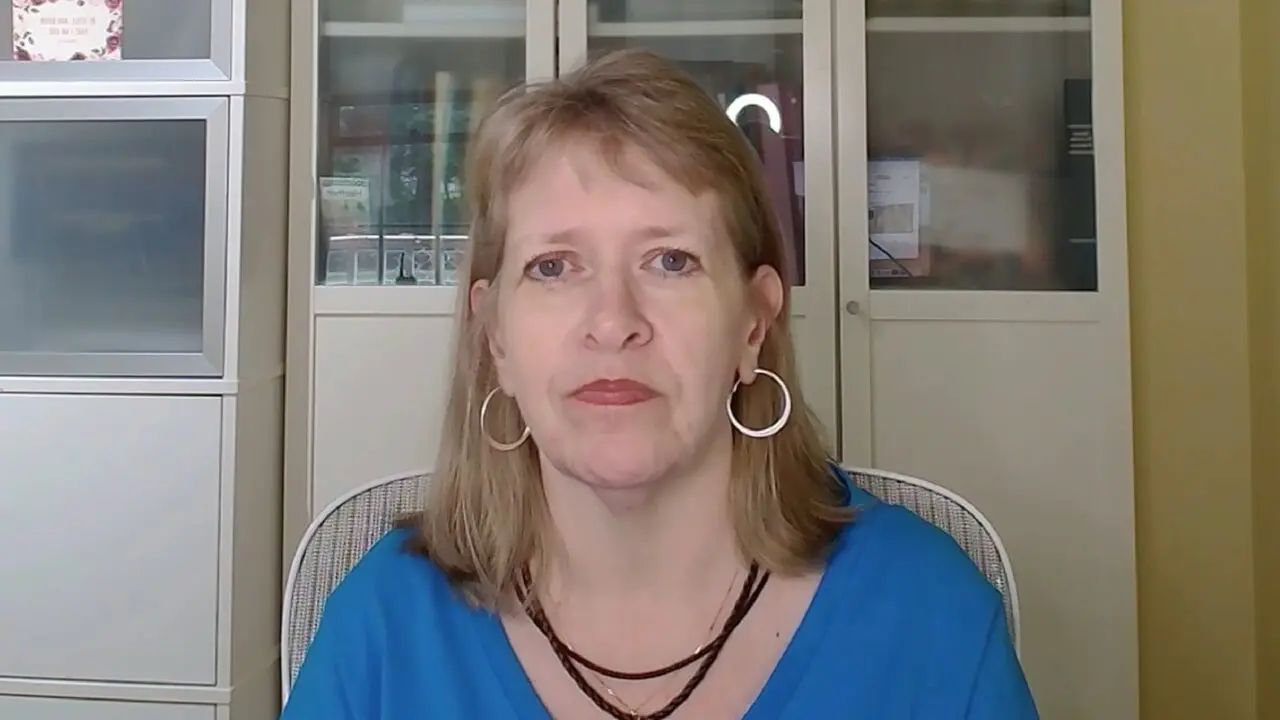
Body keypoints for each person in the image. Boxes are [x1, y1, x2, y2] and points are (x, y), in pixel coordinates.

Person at [281, 48, 1038, 719]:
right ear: (496, 338)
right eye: (554, 266)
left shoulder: (933, 620)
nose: (613, 322)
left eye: (670, 261)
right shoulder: (380, 625)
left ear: (753, 324)